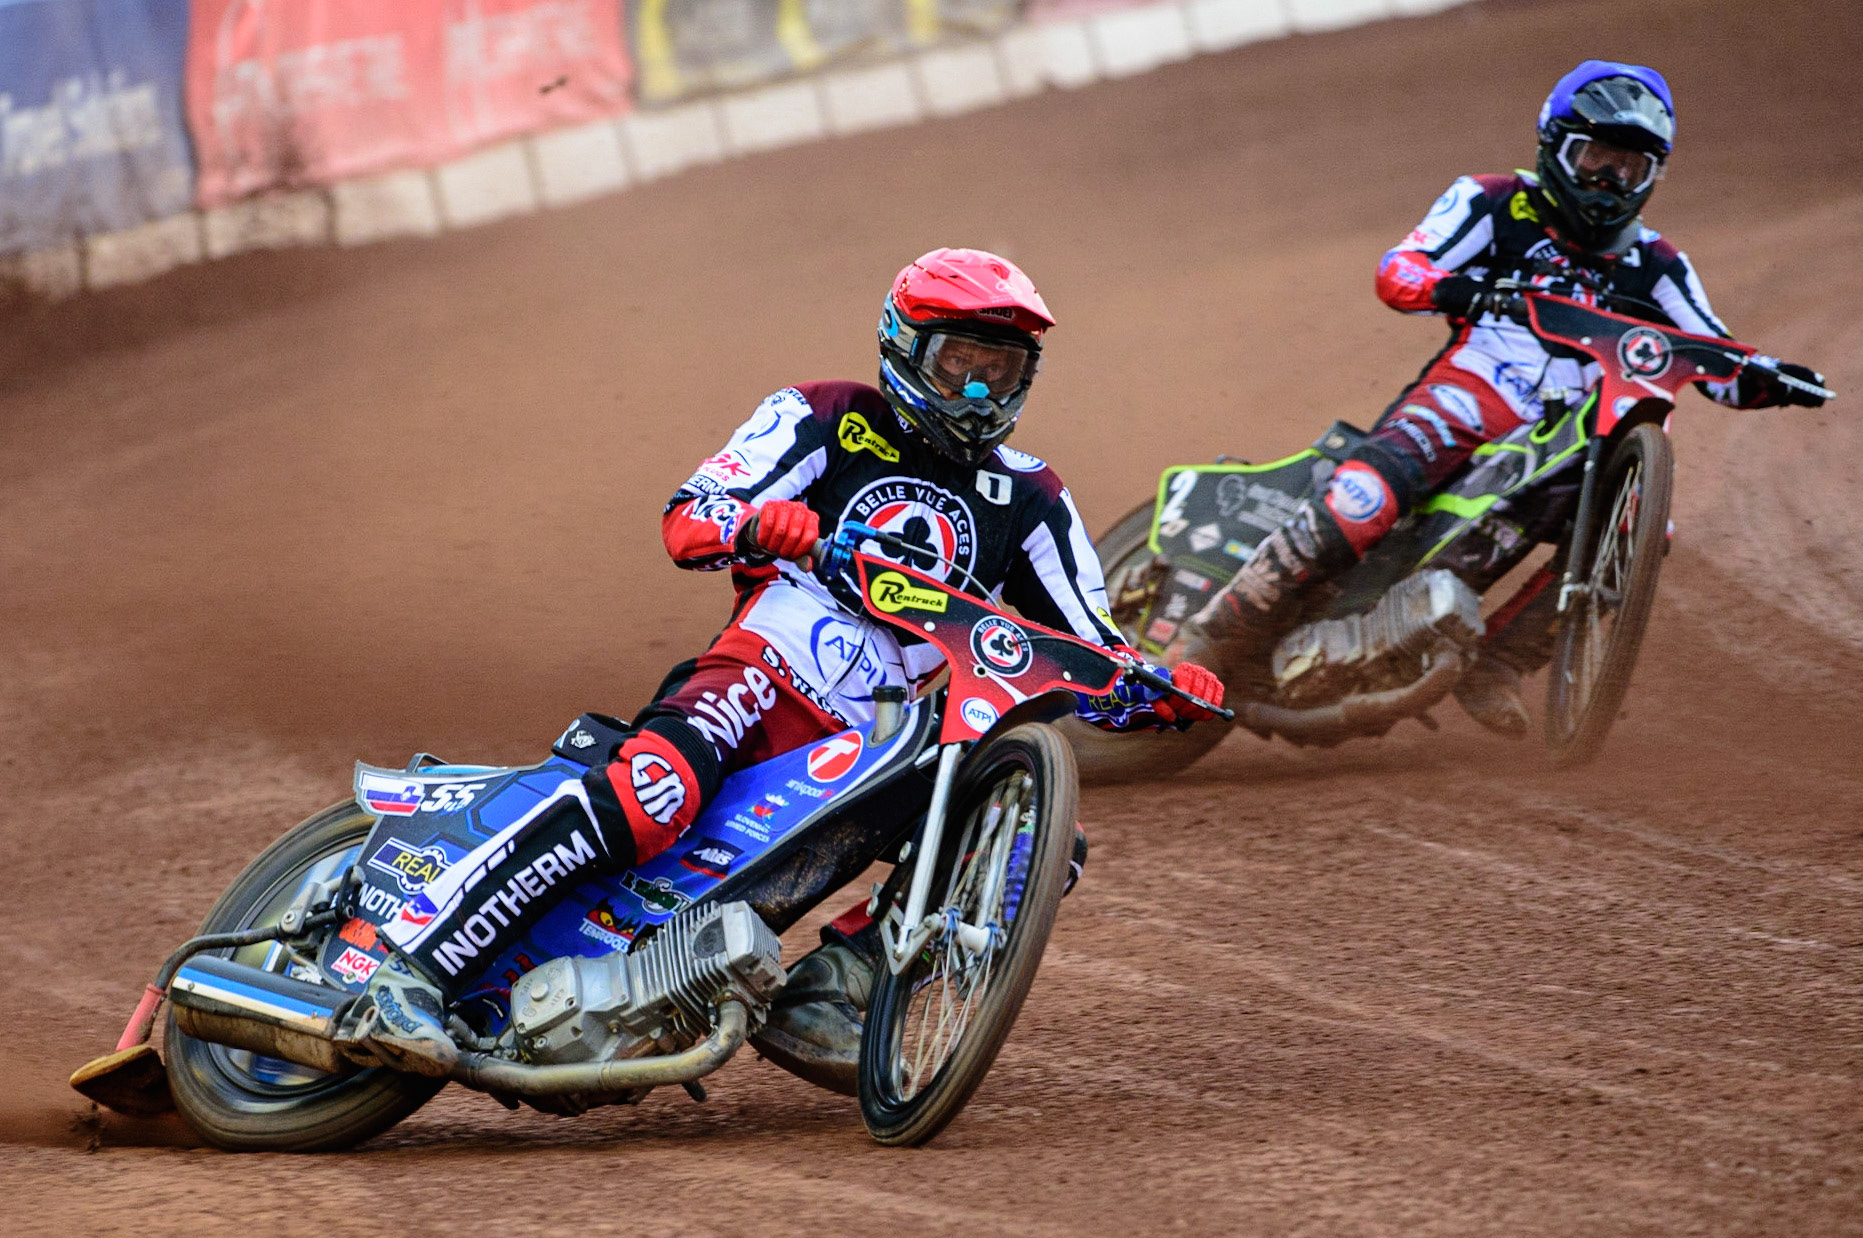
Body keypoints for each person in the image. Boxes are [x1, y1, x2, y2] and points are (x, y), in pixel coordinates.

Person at [340, 247, 1225, 1090]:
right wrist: (761, 525)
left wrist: (1166, 691)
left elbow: (1091, 649)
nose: (982, 388)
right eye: (960, 361)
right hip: (758, 673)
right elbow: (688, 520)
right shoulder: (825, 414)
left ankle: (832, 990)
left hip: (880, 737)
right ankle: (407, 972)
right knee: (650, 793)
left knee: (1034, 842)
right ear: (905, 347)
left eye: (1004, 367)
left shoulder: (1030, 495)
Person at [1165, 60, 1827, 732]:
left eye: (1628, 168)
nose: (1607, 181)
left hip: (1563, 438)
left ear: (1652, 176)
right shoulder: (1492, 201)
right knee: (1361, 500)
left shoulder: (1656, 265)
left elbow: (1715, 353)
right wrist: (1455, 290)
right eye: (1593, 157)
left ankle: (1498, 663)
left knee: (1643, 528)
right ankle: (1215, 635)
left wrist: (1772, 376)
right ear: (1552, 146)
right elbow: (1399, 270)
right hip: (1463, 399)